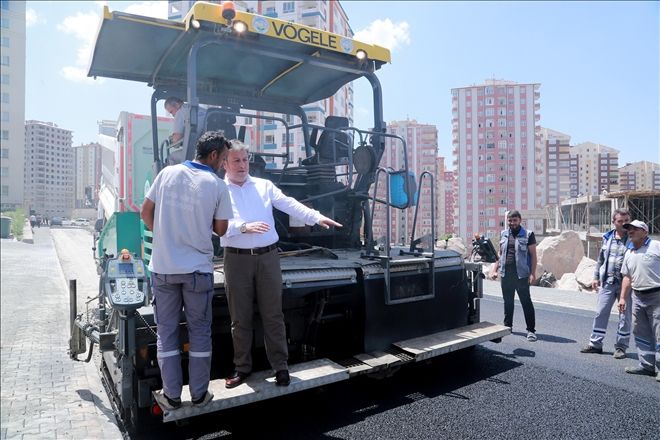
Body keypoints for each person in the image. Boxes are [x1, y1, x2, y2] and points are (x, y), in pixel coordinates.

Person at [221, 140, 342, 388]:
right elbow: (216, 227)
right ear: (224, 163)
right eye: (236, 161)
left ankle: (281, 367)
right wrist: (243, 227)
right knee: (239, 318)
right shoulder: (217, 191)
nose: (243, 165)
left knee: (273, 315)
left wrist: (317, 217)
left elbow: (289, 204)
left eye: (245, 160)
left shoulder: (264, 186)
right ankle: (242, 368)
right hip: (236, 259)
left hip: (267, 258)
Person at [140, 131, 233, 409]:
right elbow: (221, 229)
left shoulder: (167, 174)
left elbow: (145, 212)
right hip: (197, 271)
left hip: (164, 268)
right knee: (199, 332)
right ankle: (198, 394)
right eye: (225, 159)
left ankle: (171, 396)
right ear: (214, 155)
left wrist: (164, 235)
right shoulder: (217, 185)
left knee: (166, 332)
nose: (225, 165)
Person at [580, 208, 632, 358]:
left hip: (626, 285)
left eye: (626, 221)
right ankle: (595, 344)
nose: (623, 224)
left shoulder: (634, 238)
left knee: (624, 316)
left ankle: (621, 347)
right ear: (614, 222)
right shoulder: (607, 237)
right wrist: (596, 277)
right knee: (601, 313)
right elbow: (601, 260)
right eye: (620, 221)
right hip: (608, 282)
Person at [617, 220, 660, 379]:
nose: (630, 231)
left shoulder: (656, 246)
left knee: (659, 332)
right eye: (629, 229)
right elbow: (627, 277)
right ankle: (646, 365)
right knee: (640, 331)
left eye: (635, 229)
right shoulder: (629, 252)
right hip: (638, 297)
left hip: (657, 296)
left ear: (645, 232)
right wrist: (622, 298)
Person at [489, 210, 538, 341]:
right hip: (506, 275)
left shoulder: (528, 235)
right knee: (508, 302)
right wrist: (495, 269)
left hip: (521, 276)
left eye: (514, 220)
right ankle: (508, 327)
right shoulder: (503, 234)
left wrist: (532, 273)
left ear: (520, 220)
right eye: (510, 220)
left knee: (526, 302)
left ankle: (531, 331)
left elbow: (533, 255)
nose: (512, 223)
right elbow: (499, 254)